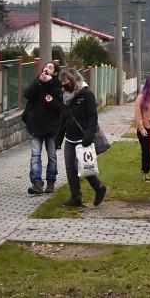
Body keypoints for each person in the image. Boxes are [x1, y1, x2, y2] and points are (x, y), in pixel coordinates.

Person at [56, 68, 108, 208]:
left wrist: (89, 135)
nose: (64, 83)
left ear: (73, 79)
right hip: (70, 138)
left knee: (82, 167)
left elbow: (93, 117)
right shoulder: (64, 96)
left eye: (67, 80)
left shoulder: (86, 94)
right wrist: (59, 137)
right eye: (62, 81)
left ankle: (99, 188)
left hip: (83, 137)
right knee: (69, 167)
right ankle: (76, 197)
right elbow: (64, 117)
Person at [22, 60, 62, 195]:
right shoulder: (37, 82)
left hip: (52, 127)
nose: (46, 69)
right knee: (35, 154)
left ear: (55, 72)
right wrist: (39, 82)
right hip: (36, 126)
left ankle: (51, 181)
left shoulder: (57, 86)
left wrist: (52, 101)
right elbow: (27, 94)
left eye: (50, 67)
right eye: (45, 66)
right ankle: (37, 182)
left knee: (52, 156)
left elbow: (62, 107)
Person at [134, 75, 150, 182]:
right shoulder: (141, 98)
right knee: (147, 152)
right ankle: (146, 172)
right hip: (145, 130)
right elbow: (138, 115)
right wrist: (141, 128)